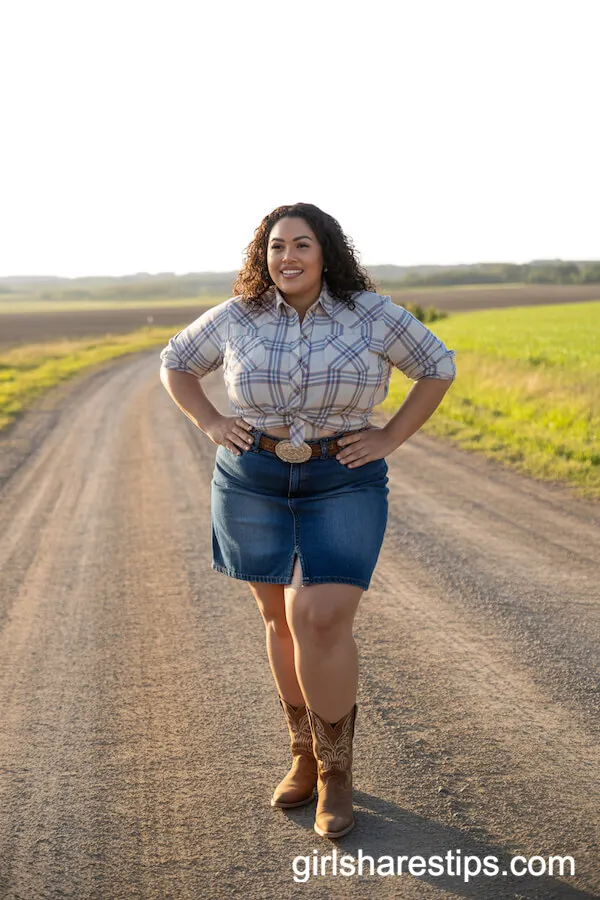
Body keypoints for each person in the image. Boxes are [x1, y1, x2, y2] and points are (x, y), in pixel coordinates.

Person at [159, 202, 456, 839]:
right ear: (262, 255)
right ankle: (304, 755)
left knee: (316, 616)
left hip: (342, 477)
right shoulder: (238, 315)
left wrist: (390, 437)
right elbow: (175, 362)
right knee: (277, 618)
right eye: (276, 246)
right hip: (252, 479)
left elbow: (438, 366)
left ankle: (336, 772)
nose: (287, 257)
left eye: (301, 244)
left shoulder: (371, 314)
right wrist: (211, 421)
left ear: (325, 252)